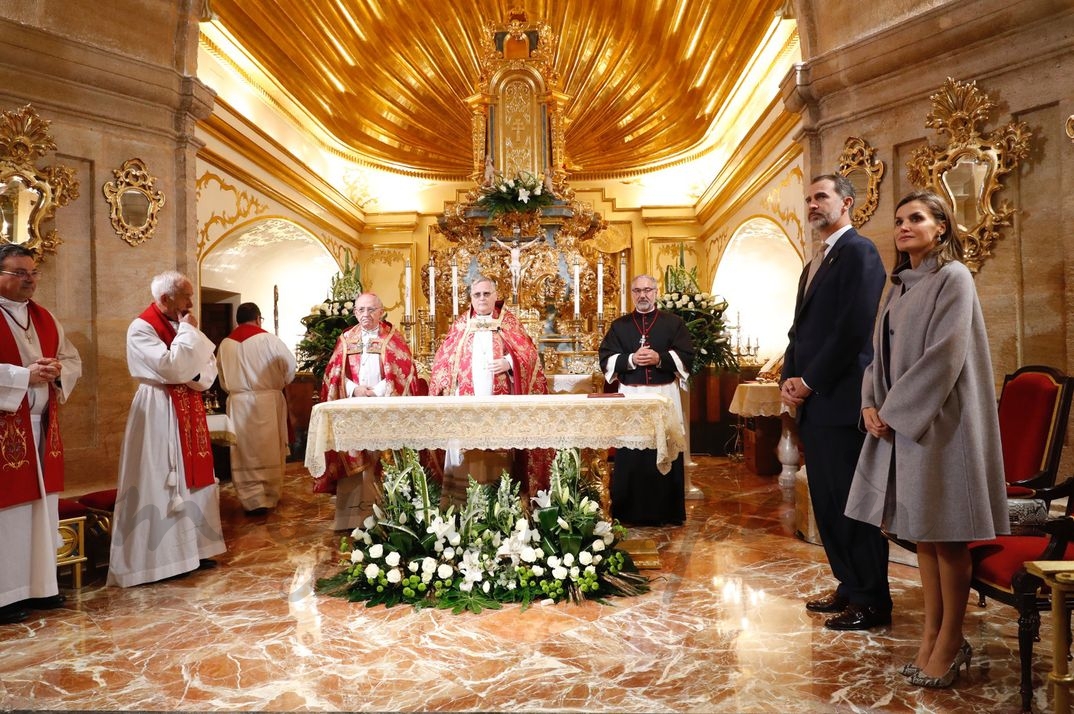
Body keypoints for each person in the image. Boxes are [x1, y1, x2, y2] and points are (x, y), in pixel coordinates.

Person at [846, 191, 1007, 687]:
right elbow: (876, 354)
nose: (904, 226)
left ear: (941, 227)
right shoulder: (897, 285)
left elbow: (945, 355)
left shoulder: (953, 277)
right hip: (903, 427)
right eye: (898, 220)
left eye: (916, 218)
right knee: (926, 541)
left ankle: (951, 639)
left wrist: (892, 412)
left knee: (948, 537)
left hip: (943, 426)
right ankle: (932, 637)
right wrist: (870, 403)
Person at [780, 173, 889, 630]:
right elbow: (799, 331)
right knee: (826, 501)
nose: (812, 204)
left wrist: (811, 381)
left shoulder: (859, 252)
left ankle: (872, 600)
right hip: (815, 402)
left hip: (843, 400)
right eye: (808, 198)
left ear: (846, 203)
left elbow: (853, 329)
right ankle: (848, 583)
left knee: (852, 503)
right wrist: (789, 378)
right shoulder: (815, 263)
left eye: (820, 196)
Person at [108, 270, 226, 587]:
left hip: (188, 405)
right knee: (158, 478)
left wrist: (188, 365)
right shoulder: (141, 328)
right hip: (158, 408)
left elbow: (206, 372)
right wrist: (188, 340)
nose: (191, 303)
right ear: (164, 299)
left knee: (192, 481)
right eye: (186, 296)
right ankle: (157, 561)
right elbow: (171, 368)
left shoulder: (181, 326)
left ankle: (193, 551)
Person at [0, 244, 82, 625]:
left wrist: (56, 371)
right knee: (10, 514)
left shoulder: (45, 317)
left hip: (41, 427)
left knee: (41, 510)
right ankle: (5, 595)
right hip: (5, 430)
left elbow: (72, 358)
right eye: (18, 272)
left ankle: (40, 586)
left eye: (32, 272)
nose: (29, 279)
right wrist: (23, 376)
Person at [429, 276, 549, 502]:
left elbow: (530, 355)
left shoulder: (508, 323)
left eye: (487, 294)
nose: (482, 298)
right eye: (477, 294)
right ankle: (462, 503)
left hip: (500, 404)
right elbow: (443, 360)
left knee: (498, 450)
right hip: (465, 403)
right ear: (471, 298)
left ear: (496, 296)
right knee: (469, 449)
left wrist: (510, 363)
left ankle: (502, 501)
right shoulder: (461, 325)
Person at [316, 292, 423, 530]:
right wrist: (354, 390)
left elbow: (404, 372)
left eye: (371, 309)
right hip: (353, 408)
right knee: (354, 455)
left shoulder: (392, 338)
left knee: (382, 456)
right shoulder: (346, 339)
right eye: (361, 310)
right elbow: (334, 375)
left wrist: (377, 391)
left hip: (384, 407)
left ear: (381, 311)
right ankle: (353, 517)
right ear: (354, 313)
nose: (366, 315)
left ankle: (389, 515)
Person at [598, 274, 693, 525]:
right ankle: (628, 512)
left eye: (648, 290)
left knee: (665, 449)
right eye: (637, 290)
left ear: (656, 292)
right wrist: (631, 359)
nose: (643, 295)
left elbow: (687, 356)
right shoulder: (620, 326)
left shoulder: (674, 324)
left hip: (664, 396)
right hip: (632, 397)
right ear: (631, 294)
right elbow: (605, 359)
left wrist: (659, 358)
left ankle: (666, 512)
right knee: (632, 452)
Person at [217, 301, 296, 516]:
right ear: (258, 318)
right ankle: (269, 496)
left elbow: (222, 378)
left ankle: (249, 498)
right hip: (266, 402)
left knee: (244, 451)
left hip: (238, 403)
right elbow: (290, 368)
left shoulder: (225, 344)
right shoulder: (269, 339)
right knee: (267, 448)